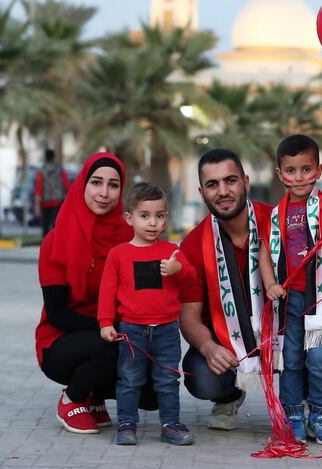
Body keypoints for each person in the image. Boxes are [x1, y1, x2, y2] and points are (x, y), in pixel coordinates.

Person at [178, 149, 322, 432]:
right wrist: (208, 347)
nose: (223, 191)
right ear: (202, 192)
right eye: (212, 185)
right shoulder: (193, 245)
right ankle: (229, 396)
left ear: (246, 182)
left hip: (288, 327)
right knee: (201, 375)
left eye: (231, 180)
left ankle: (305, 403)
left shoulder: (280, 219)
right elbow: (188, 317)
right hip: (233, 340)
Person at [37, 152, 159, 435]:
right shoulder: (56, 241)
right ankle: (73, 397)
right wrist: (109, 327)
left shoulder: (131, 238)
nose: (104, 193)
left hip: (117, 333)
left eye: (114, 185)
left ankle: (94, 395)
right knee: (111, 348)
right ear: (82, 185)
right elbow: (57, 314)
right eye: (96, 182)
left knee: (153, 391)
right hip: (62, 339)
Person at [259, 135, 322, 446]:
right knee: (291, 358)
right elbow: (264, 252)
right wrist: (271, 283)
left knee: (319, 359)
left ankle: (320, 414)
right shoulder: (277, 215)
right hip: (291, 300)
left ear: (319, 170)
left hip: (321, 296)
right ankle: (293, 415)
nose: (298, 178)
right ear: (279, 174)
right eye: (290, 171)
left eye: (305, 169)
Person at [97, 182, 197, 446]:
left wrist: (179, 269)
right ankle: (127, 425)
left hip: (166, 330)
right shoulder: (118, 254)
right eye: (145, 216)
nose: (153, 223)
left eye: (159, 215)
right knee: (129, 380)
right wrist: (106, 322)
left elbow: (192, 278)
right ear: (129, 218)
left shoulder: (171, 251)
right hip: (131, 331)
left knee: (168, 379)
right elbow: (107, 291)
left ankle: (170, 424)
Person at [35, 149, 70, 237]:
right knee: (56, 227)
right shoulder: (60, 170)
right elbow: (67, 186)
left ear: (45, 157)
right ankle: (55, 247)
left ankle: (45, 247)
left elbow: (38, 189)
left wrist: (37, 206)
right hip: (57, 203)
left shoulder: (41, 171)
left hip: (44, 203)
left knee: (45, 228)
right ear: (54, 156)